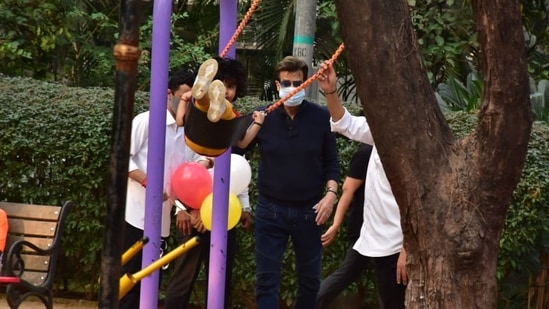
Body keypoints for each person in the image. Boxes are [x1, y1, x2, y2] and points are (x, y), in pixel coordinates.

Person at [239, 55, 341, 309]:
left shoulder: (320, 117)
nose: (292, 88)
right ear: (277, 85)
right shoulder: (264, 116)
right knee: (266, 280)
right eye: (286, 83)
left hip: (310, 212)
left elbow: (332, 162)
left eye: (298, 83)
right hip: (270, 210)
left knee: (309, 282)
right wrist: (255, 126)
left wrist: (331, 194)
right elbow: (238, 152)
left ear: (306, 84)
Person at [164, 57, 256, 309]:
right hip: (195, 211)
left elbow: (238, 170)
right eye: (221, 84)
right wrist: (183, 208)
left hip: (225, 212)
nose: (227, 90)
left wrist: (245, 207)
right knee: (185, 276)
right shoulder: (197, 120)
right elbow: (183, 168)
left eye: (231, 86)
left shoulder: (234, 122)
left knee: (221, 278)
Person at [317, 61, 408, 308]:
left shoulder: (416, 145)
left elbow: (422, 204)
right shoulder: (379, 132)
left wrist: (407, 249)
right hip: (375, 239)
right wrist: (330, 91)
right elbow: (344, 123)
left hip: (399, 246)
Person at [120, 69, 210, 309]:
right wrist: (147, 182)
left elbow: (191, 171)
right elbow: (120, 159)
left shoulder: (189, 131)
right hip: (134, 217)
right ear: (169, 94)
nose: (189, 104)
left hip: (162, 222)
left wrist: (185, 206)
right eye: (185, 98)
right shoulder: (147, 120)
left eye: (193, 99)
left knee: (148, 286)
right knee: (127, 284)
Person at [316, 143, 373, 309]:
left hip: (385, 229)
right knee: (348, 273)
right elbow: (347, 190)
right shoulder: (366, 152)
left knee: (389, 280)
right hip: (364, 228)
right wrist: (336, 224)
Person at [177, 57, 265, 157]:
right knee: (207, 106)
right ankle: (204, 92)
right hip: (214, 147)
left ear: (237, 89)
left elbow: (179, 122)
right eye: (220, 86)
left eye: (230, 86)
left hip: (194, 140)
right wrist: (258, 123)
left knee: (204, 104)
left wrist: (184, 99)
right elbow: (242, 143)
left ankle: (205, 94)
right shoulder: (233, 116)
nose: (225, 91)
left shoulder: (233, 117)